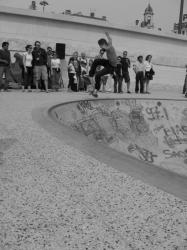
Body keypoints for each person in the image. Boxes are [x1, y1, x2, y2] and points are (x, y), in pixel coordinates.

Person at [87, 32, 118, 97]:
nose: (100, 47)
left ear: (103, 44)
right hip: (108, 62)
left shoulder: (109, 48)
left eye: (100, 45)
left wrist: (101, 53)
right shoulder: (109, 44)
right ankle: (90, 75)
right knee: (96, 61)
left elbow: (105, 48)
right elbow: (110, 39)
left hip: (111, 67)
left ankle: (96, 90)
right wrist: (107, 35)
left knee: (98, 75)